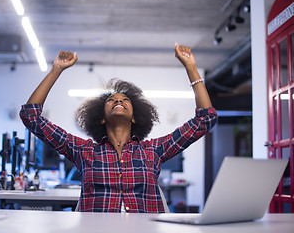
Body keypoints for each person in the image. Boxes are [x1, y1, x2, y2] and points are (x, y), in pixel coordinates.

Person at [20, 44, 218, 213]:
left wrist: (191, 67)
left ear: (135, 118)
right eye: (111, 100)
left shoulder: (153, 151)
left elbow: (206, 119)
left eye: (125, 100)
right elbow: (31, 116)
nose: (118, 100)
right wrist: (56, 69)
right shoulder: (83, 151)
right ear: (101, 119)